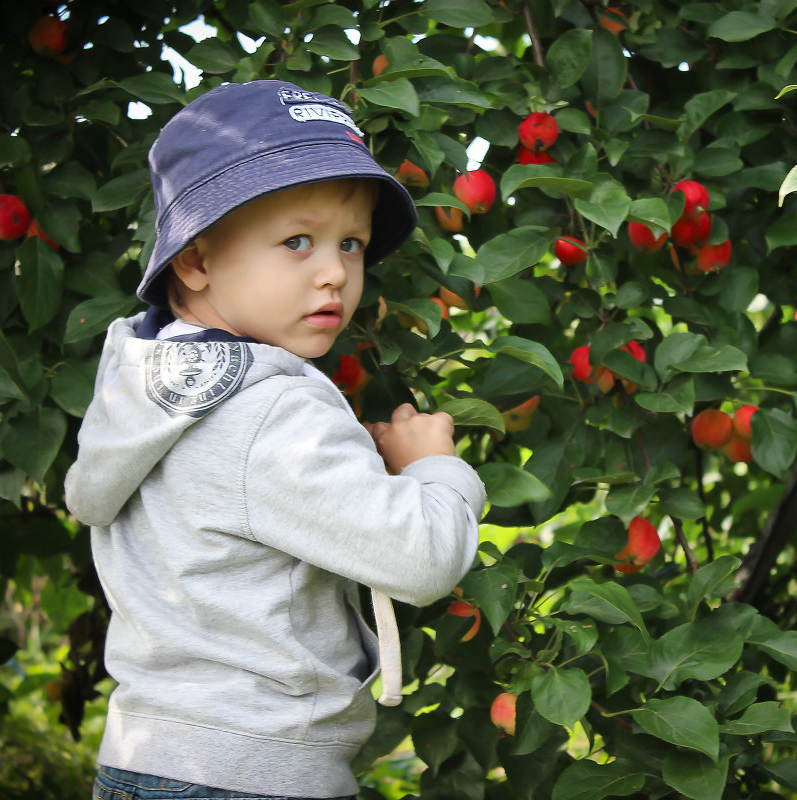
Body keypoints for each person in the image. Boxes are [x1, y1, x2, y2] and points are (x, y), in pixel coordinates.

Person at [65, 80, 485, 800]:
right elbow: (419, 561)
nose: (335, 272)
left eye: (349, 244)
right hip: (254, 772)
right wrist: (434, 468)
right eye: (297, 241)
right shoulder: (270, 410)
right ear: (195, 262)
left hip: (146, 759)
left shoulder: (140, 390)